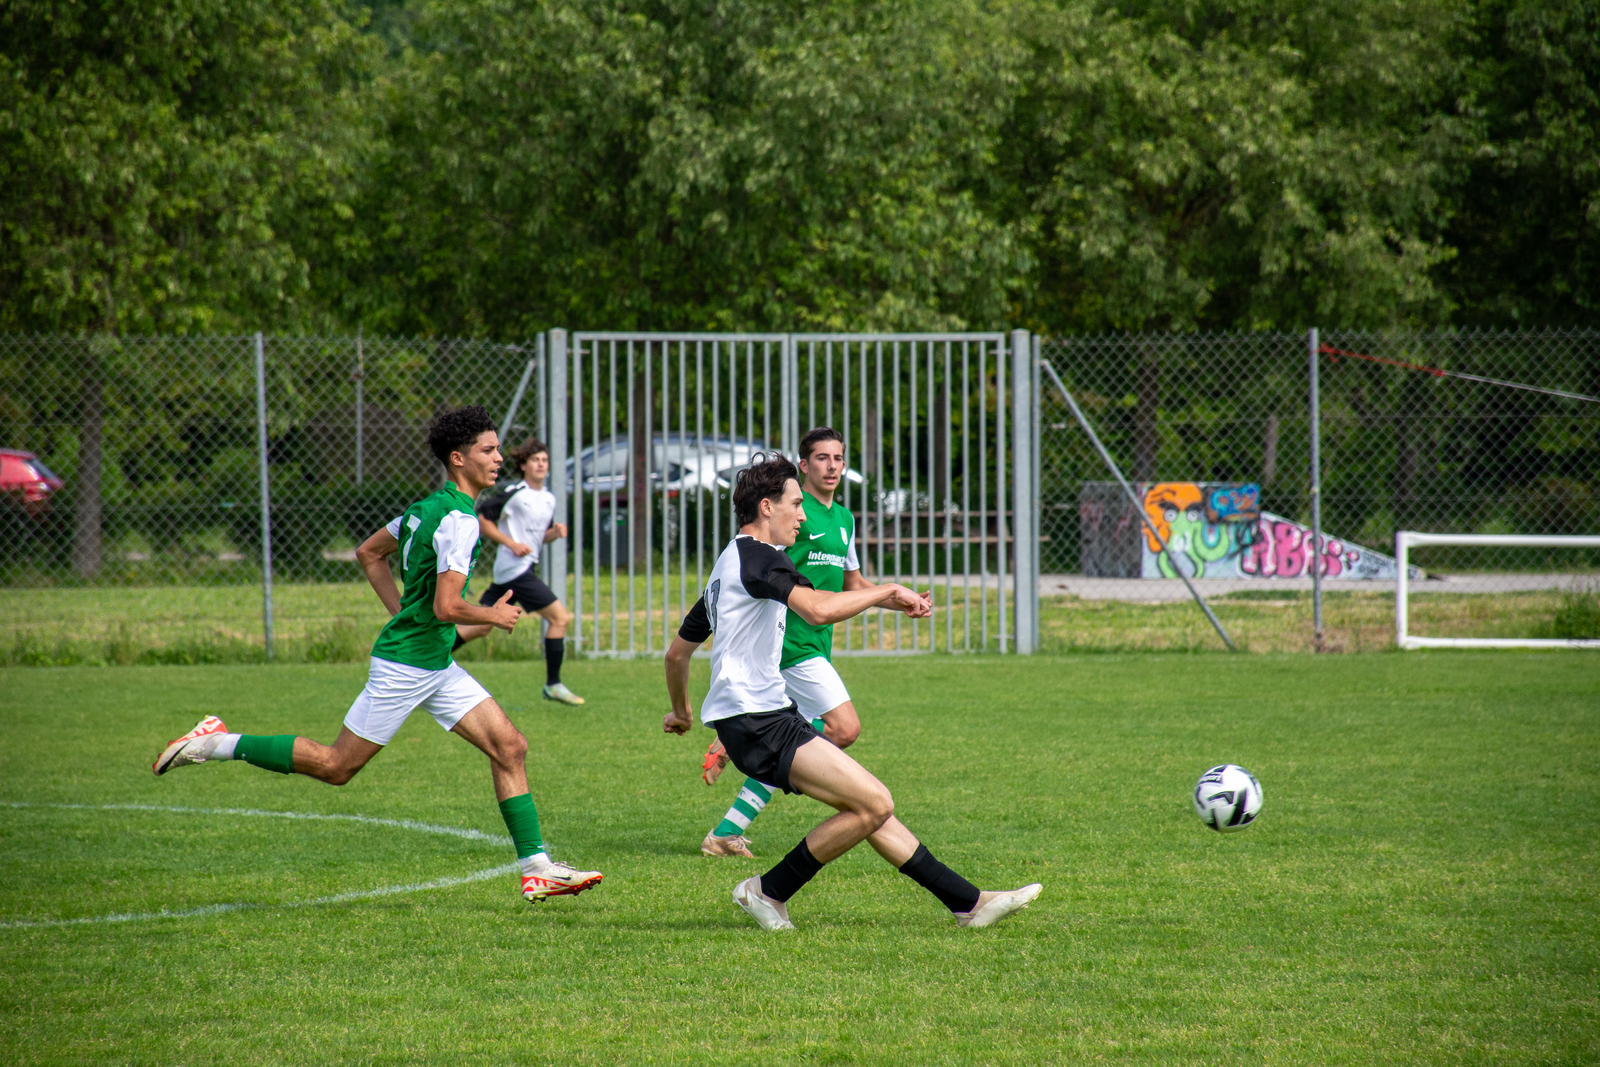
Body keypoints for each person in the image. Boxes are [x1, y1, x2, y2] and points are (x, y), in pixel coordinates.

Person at [151, 406, 603, 904]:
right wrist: (491, 615)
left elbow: (369, 553)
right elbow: (446, 606)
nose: (498, 458)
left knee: (510, 747)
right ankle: (215, 742)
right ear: (458, 459)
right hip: (407, 666)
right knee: (336, 766)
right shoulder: (460, 520)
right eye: (488, 450)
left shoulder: (424, 509)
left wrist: (403, 613)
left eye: (497, 449)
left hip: (434, 662)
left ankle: (537, 869)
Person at [663, 452, 1041, 930]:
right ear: (766, 507)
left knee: (867, 807)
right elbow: (818, 610)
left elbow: (677, 655)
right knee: (875, 802)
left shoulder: (730, 564)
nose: (802, 516)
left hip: (761, 715)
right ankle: (766, 892)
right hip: (758, 719)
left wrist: (683, 713)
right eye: (795, 504)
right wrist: (887, 590)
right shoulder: (759, 558)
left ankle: (970, 904)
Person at [700, 427, 871, 858]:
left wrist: (897, 599)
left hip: (817, 640)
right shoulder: (790, 512)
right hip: (791, 642)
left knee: (791, 743)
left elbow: (853, 584)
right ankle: (742, 750)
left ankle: (726, 830)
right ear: (804, 465)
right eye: (822, 458)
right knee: (844, 728)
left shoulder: (844, 519)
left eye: (838, 458)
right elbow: (766, 572)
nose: (832, 466)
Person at [453, 436, 584, 705]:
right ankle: (553, 685)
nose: (541, 464)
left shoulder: (548, 499)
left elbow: (536, 538)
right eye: (535, 460)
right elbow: (482, 519)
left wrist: (553, 534)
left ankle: (426, 658)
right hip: (516, 571)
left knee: (481, 626)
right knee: (560, 618)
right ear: (523, 465)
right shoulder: (515, 493)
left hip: (515, 572)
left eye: (544, 460)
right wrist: (511, 543)